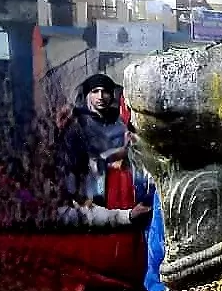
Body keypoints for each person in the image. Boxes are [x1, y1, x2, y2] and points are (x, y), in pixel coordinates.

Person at [55, 72, 151, 227]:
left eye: (105, 91)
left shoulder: (122, 122)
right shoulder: (76, 125)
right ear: (87, 95)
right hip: (89, 191)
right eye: (95, 91)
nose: (100, 96)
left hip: (121, 190)